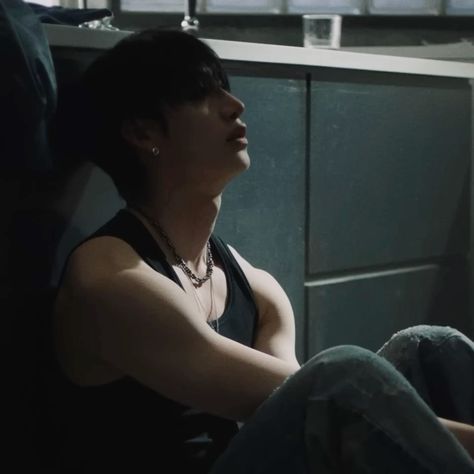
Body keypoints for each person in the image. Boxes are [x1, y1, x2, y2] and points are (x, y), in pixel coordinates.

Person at [52, 28, 474, 473]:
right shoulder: (108, 276)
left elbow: (293, 407)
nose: (234, 105)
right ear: (142, 131)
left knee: (430, 347)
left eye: (225, 90)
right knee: (341, 375)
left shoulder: (257, 288)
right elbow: (326, 395)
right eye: (200, 94)